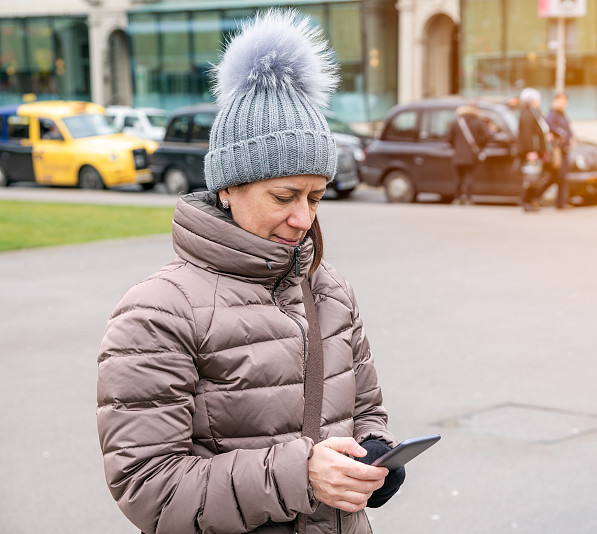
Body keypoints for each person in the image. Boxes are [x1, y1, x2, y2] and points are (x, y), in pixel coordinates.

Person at [96, 10, 405, 534]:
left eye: (315, 196)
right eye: (283, 196)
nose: (302, 218)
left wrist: (373, 457)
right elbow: (148, 487)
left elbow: (366, 411)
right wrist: (301, 476)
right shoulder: (155, 312)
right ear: (227, 188)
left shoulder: (330, 291)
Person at [516, 88, 552, 212]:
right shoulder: (527, 113)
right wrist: (530, 151)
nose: (539, 101)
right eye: (538, 99)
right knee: (530, 176)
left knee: (535, 176)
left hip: (537, 151)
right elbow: (527, 134)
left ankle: (531, 200)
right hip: (531, 152)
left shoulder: (535, 112)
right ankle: (526, 201)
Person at [447, 103, 489, 205]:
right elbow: (486, 136)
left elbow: (449, 138)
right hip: (471, 154)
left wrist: (456, 147)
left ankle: (457, 198)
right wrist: (479, 145)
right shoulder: (478, 122)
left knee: (458, 176)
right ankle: (468, 198)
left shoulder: (456, 122)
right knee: (469, 175)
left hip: (458, 154)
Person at [545, 92, 575, 210]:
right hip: (558, 150)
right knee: (559, 176)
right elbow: (550, 126)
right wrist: (560, 133)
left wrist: (572, 137)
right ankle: (560, 202)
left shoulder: (563, 114)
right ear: (556, 101)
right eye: (561, 101)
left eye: (565, 101)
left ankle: (561, 201)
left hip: (564, 149)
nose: (563, 103)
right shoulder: (553, 114)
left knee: (560, 176)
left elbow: (568, 129)